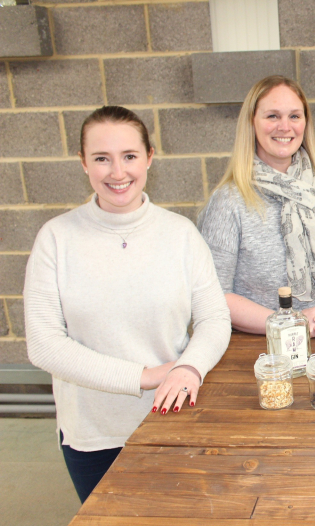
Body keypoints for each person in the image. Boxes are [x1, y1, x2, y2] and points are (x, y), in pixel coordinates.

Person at [24, 106, 232, 503]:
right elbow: (45, 344)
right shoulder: (56, 238)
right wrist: (145, 375)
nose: (117, 172)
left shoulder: (180, 234)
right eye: (102, 158)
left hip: (171, 420)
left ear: (150, 157)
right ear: (83, 163)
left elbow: (214, 317)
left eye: (129, 156)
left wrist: (189, 367)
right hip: (94, 435)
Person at [199, 75, 315, 336]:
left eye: (294, 116)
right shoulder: (229, 202)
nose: (285, 126)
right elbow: (214, 294)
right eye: (272, 116)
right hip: (259, 353)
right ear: (252, 123)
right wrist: (289, 324)